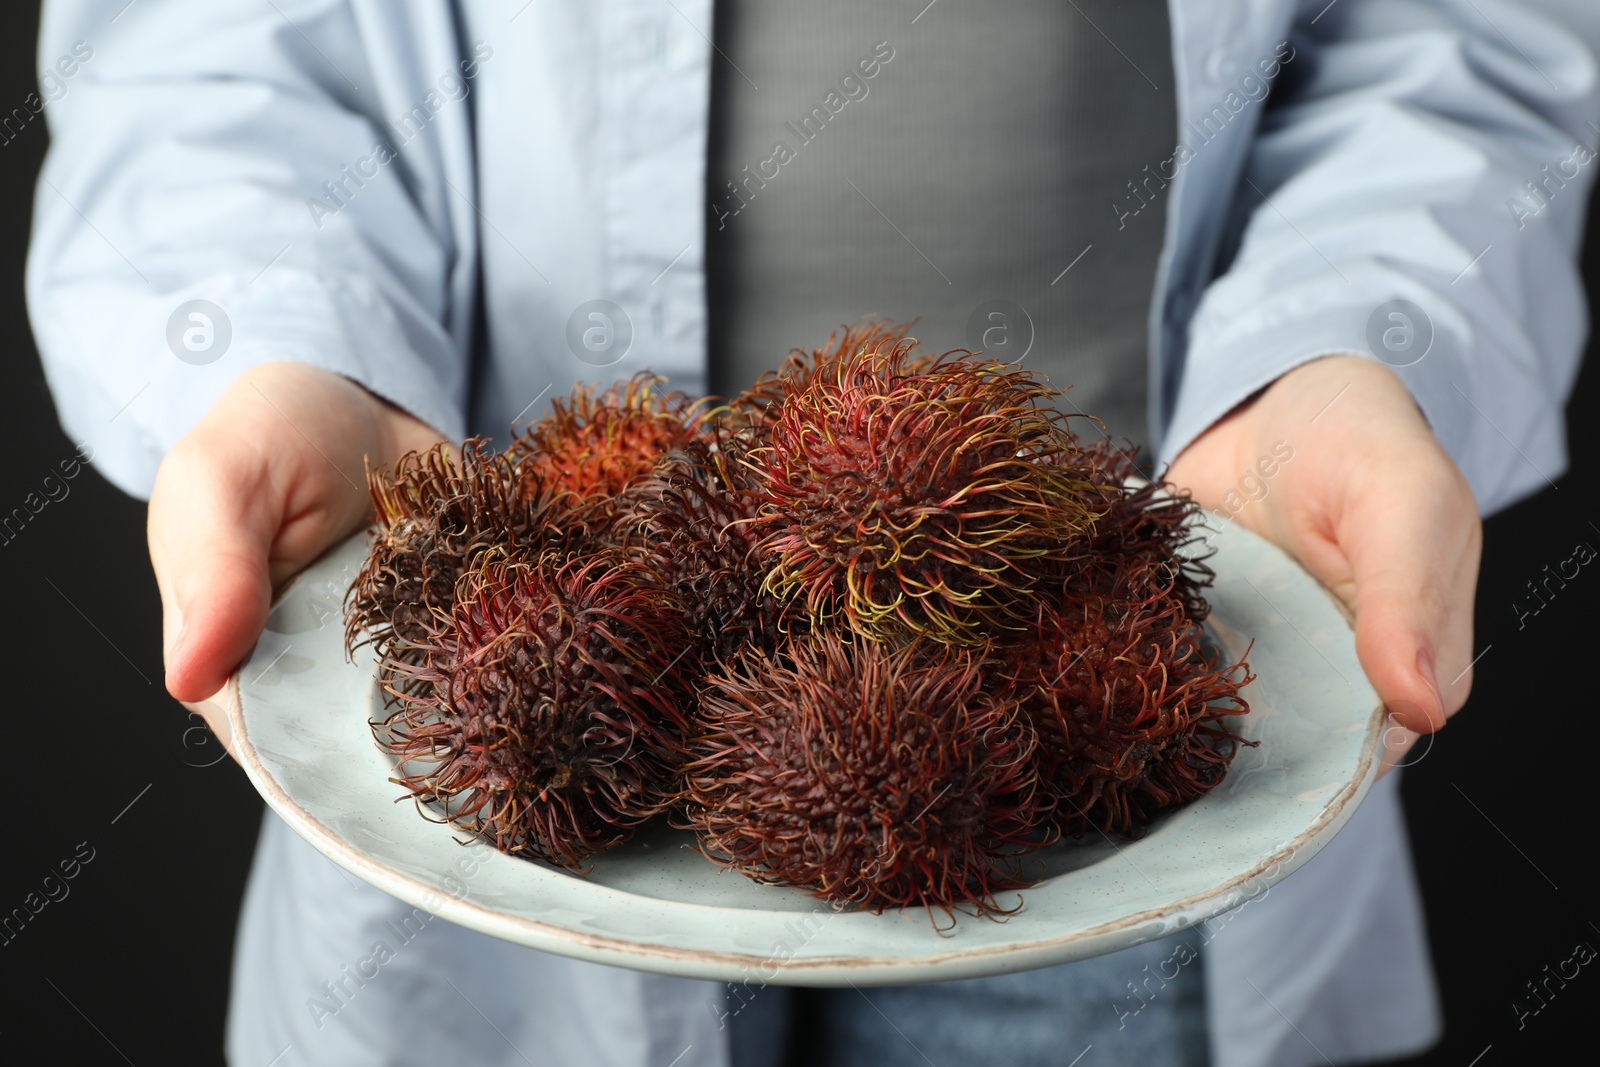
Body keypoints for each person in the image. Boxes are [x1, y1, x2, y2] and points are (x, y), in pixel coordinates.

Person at [26, 2, 1599, 1065]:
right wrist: (289, 353)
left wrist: (1349, 347)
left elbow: (1457, 40)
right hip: (515, 865)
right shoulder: (600, 595)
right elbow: (204, 49)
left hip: (1128, 773)